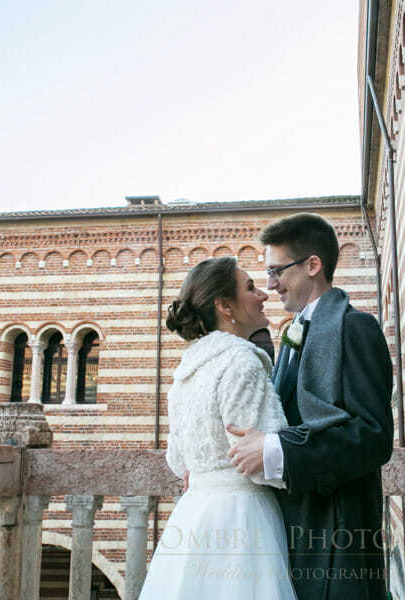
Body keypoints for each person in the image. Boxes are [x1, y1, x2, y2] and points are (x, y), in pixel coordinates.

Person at [228, 213, 394, 600]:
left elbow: (373, 436)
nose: (270, 286)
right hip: (290, 533)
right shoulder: (291, 335)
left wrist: (276, 448)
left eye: (276, 271)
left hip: (336, 541)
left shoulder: (355, 327)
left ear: (313, 265)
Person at [139, 256, 297, 600]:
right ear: (225, 306)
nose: (263, 296)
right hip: (243, 519)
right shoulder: (241, 361)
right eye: (251, 287)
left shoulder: (187, 371)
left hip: (194, 515)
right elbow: (263, 465)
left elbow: (177, 462)